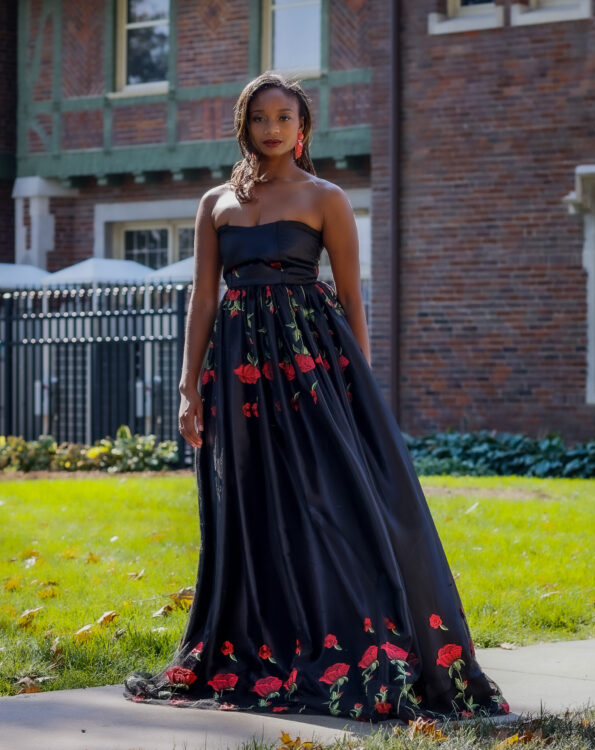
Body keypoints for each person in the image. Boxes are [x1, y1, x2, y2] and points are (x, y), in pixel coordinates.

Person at [122, 71, 511, 725]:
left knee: (335, 499)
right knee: (248, 505)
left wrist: (358, 389)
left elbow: (353, 298)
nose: (272, 128)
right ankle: (262, 639)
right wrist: (189, 387)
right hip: (239, 369)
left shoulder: (326, 198)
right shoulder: (215, 202)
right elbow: (202, 298)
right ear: (244, 127)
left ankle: (360, 640)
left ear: (303, 129)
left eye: (284, 117)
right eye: (260, 118)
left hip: (313, 368)